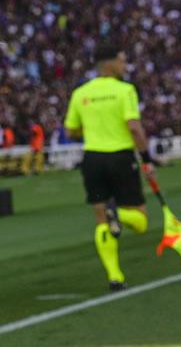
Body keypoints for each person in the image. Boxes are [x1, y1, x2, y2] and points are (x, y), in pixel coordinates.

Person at [63, 43, 152, 291]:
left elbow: (70, 131)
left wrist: (92, 130)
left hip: (92, 158)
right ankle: (119, 214)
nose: (125, 66)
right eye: (123, 61)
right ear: (110, 63)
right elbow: (134, 127)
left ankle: (115, 276)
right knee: (141, 221)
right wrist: (147, 159)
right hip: (121, 157)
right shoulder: (125, 91)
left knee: (101, 220)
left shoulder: (81, 93)